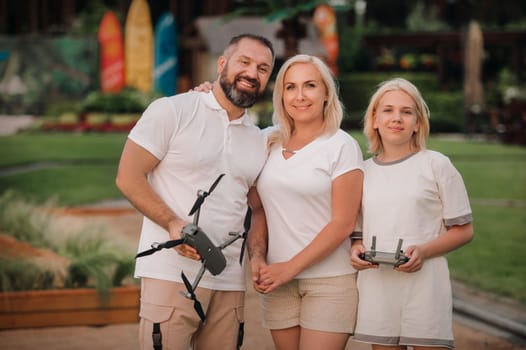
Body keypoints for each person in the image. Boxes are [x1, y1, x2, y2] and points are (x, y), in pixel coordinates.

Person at [115, 33, 275, 350]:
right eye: (244, 61)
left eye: (263, 68)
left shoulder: (259, 139)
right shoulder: (172, 111)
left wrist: (257, 255)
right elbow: (128, 177)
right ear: (222, 63)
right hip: (169, 274)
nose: (252, 73)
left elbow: (256, 208)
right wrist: (174, 224)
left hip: (229, 281)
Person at [248, 54, 364, 350]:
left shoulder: (341, 146)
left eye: (310, 85)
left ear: (326, 93)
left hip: (329, 282)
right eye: (290, 87)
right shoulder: (267, 141)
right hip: (277, 281)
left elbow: (343, 223)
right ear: (281, 95)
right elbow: (259, 210)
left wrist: (291, 267)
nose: (299, 96)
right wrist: (258, 258)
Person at [349, 77, 474, 350]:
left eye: (406, 112)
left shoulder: (437, 165)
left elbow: (464, 230)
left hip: (426, 285)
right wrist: (356, 250)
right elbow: (356, 234)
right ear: (374, 119)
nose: (397, 118)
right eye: (388, 110)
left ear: (418, 123)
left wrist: (425, 252)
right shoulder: (361, 171)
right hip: (377, 286)